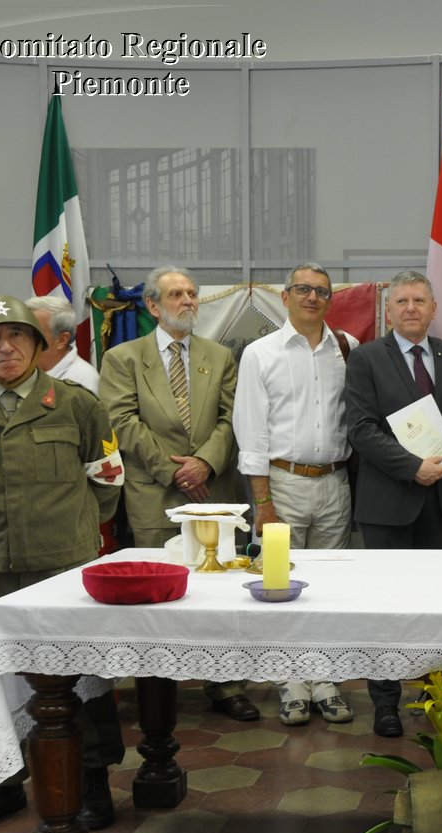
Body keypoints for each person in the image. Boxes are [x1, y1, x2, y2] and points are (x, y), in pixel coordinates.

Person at [0, 295, 125, 833]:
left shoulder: (79, 406)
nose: (5, 347)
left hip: (63, 570)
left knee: (77, 674)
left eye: (16, 338)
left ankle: (92, 780)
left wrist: (72, 533)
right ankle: (0, 786)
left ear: (38, 346)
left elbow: (107, 481)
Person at [99, 266, 253, 720]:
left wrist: (205, 462)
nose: (188, 301)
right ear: (152, 306)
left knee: (221, 591)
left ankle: (226, 684)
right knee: (160, 590)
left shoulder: (220, 356)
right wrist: (177, 472)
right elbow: (122, 422)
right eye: (176, 295)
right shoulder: (122, 358)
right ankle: (159, 683)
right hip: (155, 493)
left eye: (191, 294)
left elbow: (232, 418)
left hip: (214, 490)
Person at [346, 269, 442, 738]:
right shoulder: (365, 359)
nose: (411, 308)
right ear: (388, 310)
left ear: (434, 309)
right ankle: (385, 700)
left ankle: (440, 693)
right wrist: (411, 466)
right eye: (402, 301)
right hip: (388, 503)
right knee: (387, 607)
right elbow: (360, 429)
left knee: (438, 605)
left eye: (420, 300)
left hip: (440, 505)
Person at [235, 263, 356, 728]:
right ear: (285, 297)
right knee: (281, 586)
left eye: (321, 291)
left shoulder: (347, 349)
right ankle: (290, 683)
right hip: (280, 485)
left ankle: (325, 681)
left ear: (330, 299)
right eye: (303, 289)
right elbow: (252, 431)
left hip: (335, 484)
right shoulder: (260, 354)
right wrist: (261, 501)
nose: (312, 297)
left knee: (329, 591)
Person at [26, 294, 101, 394]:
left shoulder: (84, 381)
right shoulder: (19, 369)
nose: (22, 340)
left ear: (62, 340)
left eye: (33, 333)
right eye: (20, 332)